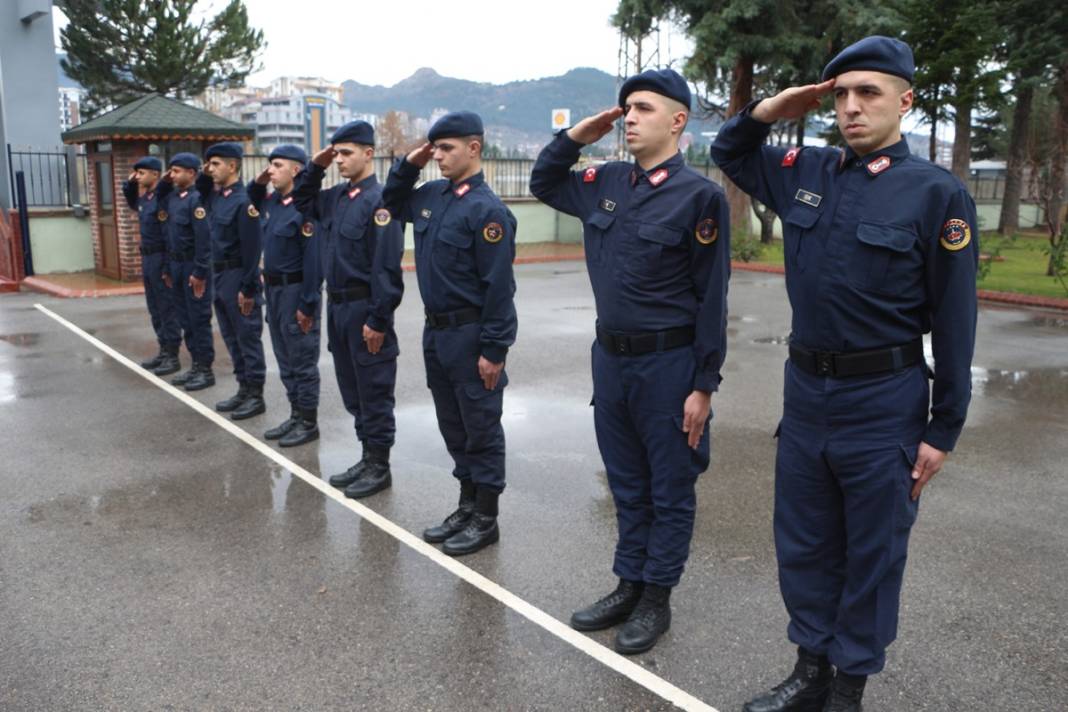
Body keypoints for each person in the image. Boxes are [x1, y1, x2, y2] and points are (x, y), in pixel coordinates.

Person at [709, 36, 978, 711]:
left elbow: (955, 321)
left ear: (904, 102)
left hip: (883, 399)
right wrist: (773, 106)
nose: (852, 108)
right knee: (803, 542)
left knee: (873, 552)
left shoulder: (936, 195)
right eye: (841, 95)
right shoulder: (809, 169)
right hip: (805, 396)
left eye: (869, 93)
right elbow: (730, 151)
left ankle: (847, 686)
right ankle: (809, 669)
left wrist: (943, 427)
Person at [530, 68, 730, 655]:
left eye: (643, 107)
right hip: (611, 364)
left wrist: (704, 384)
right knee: (627, 484)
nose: (631, 117)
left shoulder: (700, 197)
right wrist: (577, 137)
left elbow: (712, 297)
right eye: (626, 108)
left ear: (677, 120)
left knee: (669, 487)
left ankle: (656, 599)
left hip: (669, 368)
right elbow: (545, 180)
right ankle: (629, 584)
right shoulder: (604, 180)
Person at [383, 111, 517, 557]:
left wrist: (494, 348)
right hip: (436, 333)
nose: (438, 155)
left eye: (446, 148)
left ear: (474, 148)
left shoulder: (489, 211)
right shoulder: (430, 197)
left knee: (481, 426)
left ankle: (486, 517)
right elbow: (391, 199)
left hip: (471, 334)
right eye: (434, 147)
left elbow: (499, 287)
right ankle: (466, 504)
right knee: (453, 424)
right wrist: (411, 161)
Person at [291, 121, 404, 490]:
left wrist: (379, 318)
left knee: (373, 388)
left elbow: (386, 266)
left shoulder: (381, 201)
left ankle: (380, 466)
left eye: (346, 153)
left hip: (364, 310)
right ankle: (366, 455)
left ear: (368, 154)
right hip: (337, 308)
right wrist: (317, 164)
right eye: (336, 153)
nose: (339, 160)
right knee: (352, 388)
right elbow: (302, 200)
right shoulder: (336, 197)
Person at [247, 145, 323, 447]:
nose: (271, 171)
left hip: (296, 290)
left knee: (302, 358)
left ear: (295, 170)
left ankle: (308, 422)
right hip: (274, 289)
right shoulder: (273, 203)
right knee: (284, 357)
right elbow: (249, 198)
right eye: (269, 166)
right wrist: (259, 180)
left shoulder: (305, 207)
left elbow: (314, 262)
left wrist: (308, 303)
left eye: (277, 165)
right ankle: (295, 414)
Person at [199, 142, 267, 421]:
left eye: (216, 164)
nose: (210, 169)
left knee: (247, 336)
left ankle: (256, 395)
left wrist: (248, 287)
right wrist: (205, 173)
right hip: (219, 275)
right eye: (209, 164)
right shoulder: (217, 198)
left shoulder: (243, 202)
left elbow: (253, 250)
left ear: (233, 166)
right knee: (230, 335)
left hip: (238, 275)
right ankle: (243, 387)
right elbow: (201, 190)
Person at [158, 152, 214, 392]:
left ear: (192, 173)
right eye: (170, 170)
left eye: (177, 170)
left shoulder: (197, 200)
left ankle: (206, 369)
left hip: (193, 266)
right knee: (185, 319)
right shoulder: (172, 199)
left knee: (199, 318)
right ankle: (195, 364)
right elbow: (168, 235)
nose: (172, 175)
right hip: (176, 266)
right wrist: (168, 268)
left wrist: (200, 271)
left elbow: (204, 240)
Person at [122, 156, 182, 376]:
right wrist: (129, 184)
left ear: (155, 174)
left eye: (142, 173)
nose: (138, 177)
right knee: (155, 308)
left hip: (160, 258)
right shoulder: (145, 199)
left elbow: (168, 237)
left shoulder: (163, 199)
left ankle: (172, 356)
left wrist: (167, 267)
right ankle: (163, 350)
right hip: (147, 259)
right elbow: (132, 203)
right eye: (136, 173)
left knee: (167, 308)